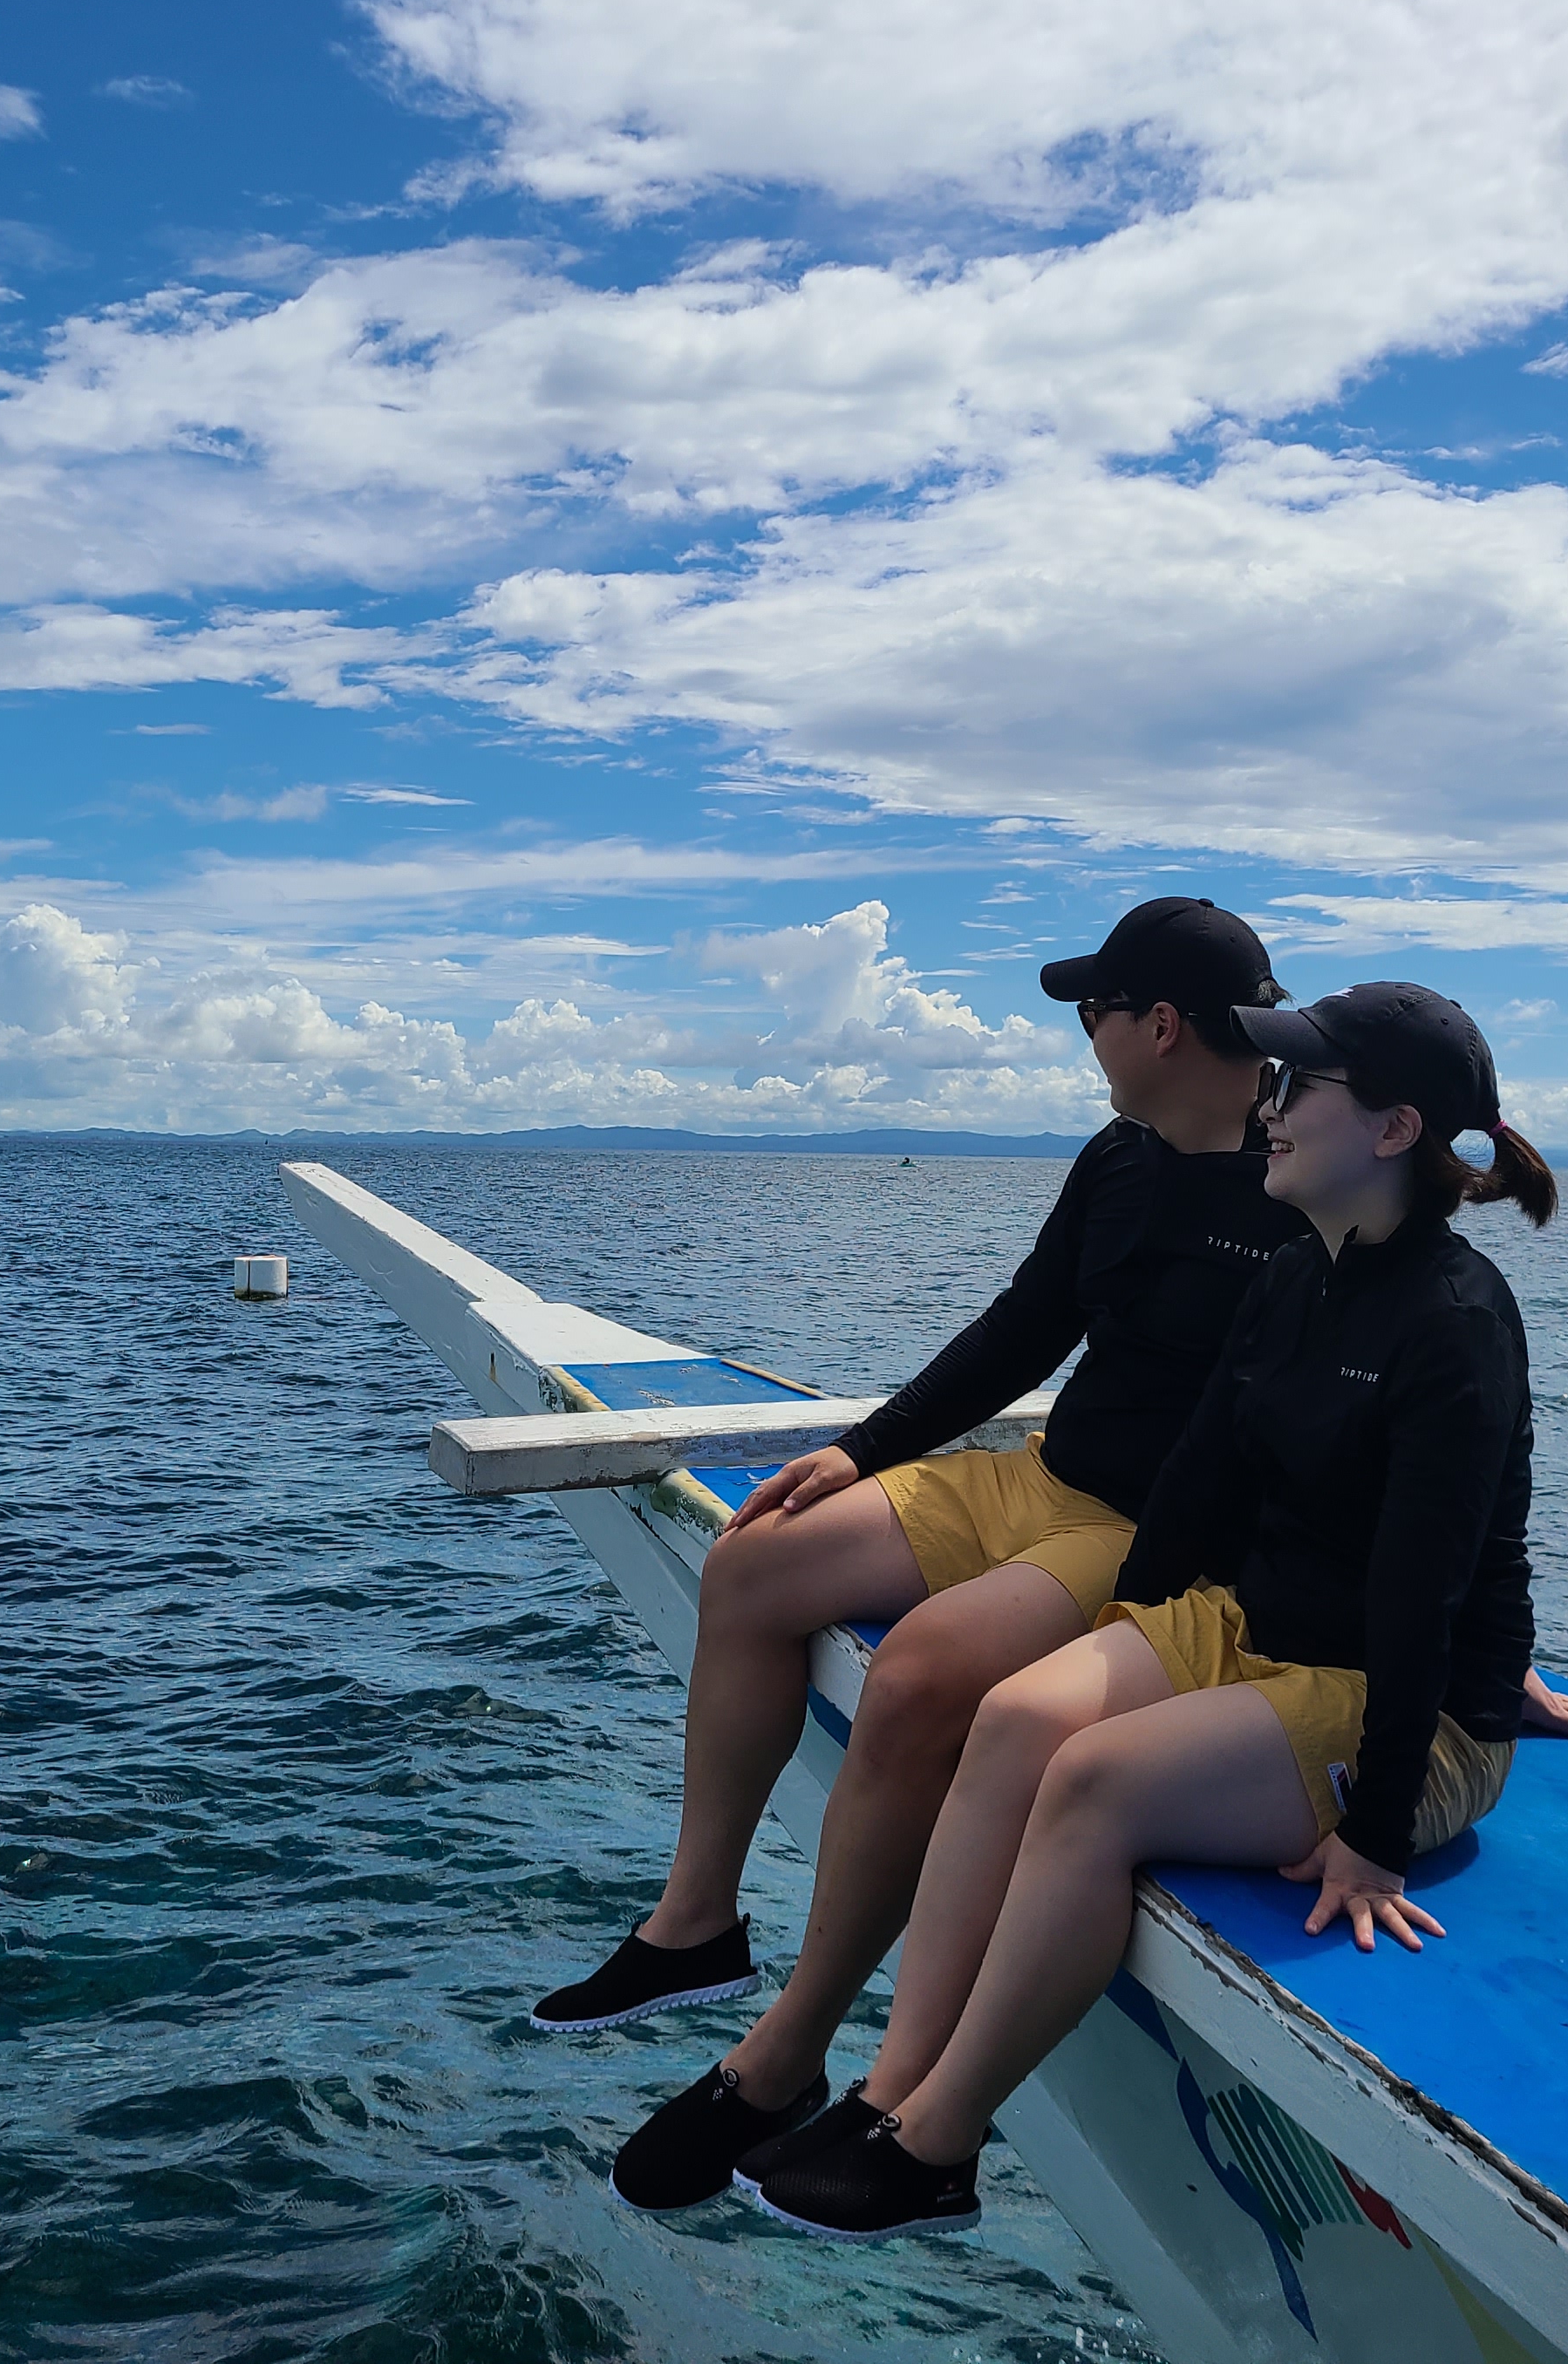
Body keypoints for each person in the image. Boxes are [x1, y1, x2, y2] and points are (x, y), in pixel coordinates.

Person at [748, 982, 1568, 2241]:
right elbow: (1196, 1489)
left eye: (1299, 1087)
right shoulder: (1296, 1281)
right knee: (1023, 1714)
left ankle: (938, 2145)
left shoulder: (1456, 1325)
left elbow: (1431, 1592)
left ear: (1397, 1131)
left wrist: (1379, 1831)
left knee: (1093, 1784)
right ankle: (886, 2090)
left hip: (1414, 1712)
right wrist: (1118, 1644)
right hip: (1259, 1631)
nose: (1273, 1107)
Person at [539, 898, 1306, 2211]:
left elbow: (1387, 1407)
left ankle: (793, 2049)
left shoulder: (1307, 1179)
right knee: (754, 1562)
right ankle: (696, 1926)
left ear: (1160, 1025)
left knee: (920, 1677)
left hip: (1150, 1539)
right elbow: (1026, 1326)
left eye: (1094, 1013)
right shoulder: (1119, 1156)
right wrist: (866, 1449)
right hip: (1039, 1476)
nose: (1087, 1039)